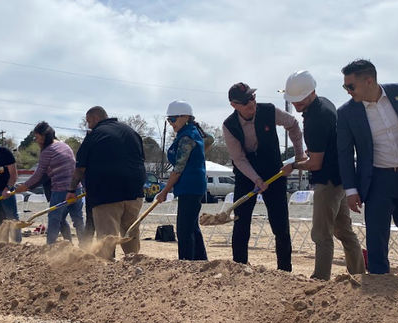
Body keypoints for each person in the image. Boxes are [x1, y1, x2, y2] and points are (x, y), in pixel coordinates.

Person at [337, 59, 398, 279]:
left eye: (351, 86)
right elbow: (345, 154)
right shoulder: (347, 112)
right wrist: (351, 190)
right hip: (376, 181)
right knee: (377, 240)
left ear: (369, 81)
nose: (348, 91)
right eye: (345, 87)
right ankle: (379, 293)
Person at [280, 71, 365, 280]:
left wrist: (293, 165)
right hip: (340, 178)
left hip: (327, 182)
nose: (297, 105)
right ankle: (360, 274)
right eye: (294, 101)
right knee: (344, 231)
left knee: (321, 234)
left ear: (311, 93)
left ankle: (320, 278)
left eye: (299, 100)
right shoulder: (324, 104)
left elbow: (316, 163)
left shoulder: (316, 119)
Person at [223, 82, 305, 271]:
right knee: (240, 222)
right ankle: (239, 267)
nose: (251, 103)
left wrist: (299, 154)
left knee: (280, 225)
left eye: (252, 97)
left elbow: (293, 124)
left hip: (274, 173)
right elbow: (239, 159)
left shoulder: (268, 111)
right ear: (234, 105)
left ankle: (285, 271)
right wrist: (255, 179)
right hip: (246, 176)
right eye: (245, 101)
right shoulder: (229, 126)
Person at [67, 106, 146, 260]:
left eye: (89, 122)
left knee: (107, 234)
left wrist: (71, 190)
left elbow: (80, 168)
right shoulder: (131, 132)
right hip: (134, 191)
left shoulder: (93, 136)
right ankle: (134, 264)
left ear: (96, 118)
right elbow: (141, 159)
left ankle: (107, 267)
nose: (89, 125)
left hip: (106, 193)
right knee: (130, 230)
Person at [9, 122, 85, 246]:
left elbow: (38, 175)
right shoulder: (64, 145)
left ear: (45, 136)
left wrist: (24, 187)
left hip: (61, 190)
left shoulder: (47, 152)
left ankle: (50, 248)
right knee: (78, 220)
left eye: (37, 138)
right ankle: (84, 246)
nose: (37, 141)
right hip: (76, 188)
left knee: (54, 219)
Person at [155, 100, 213, 261]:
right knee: (192, 226)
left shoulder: (187, 137)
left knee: (184, 229)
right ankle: (201, 262)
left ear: (185, 117)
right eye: (169, 120)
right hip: (195, 185)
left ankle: (186, 264)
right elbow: (210, 139)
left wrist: (165, 191)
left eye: (173, 119)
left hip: (190, 186)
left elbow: (178, 169)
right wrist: (198, 154)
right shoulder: (193, 132)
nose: (171, 123)